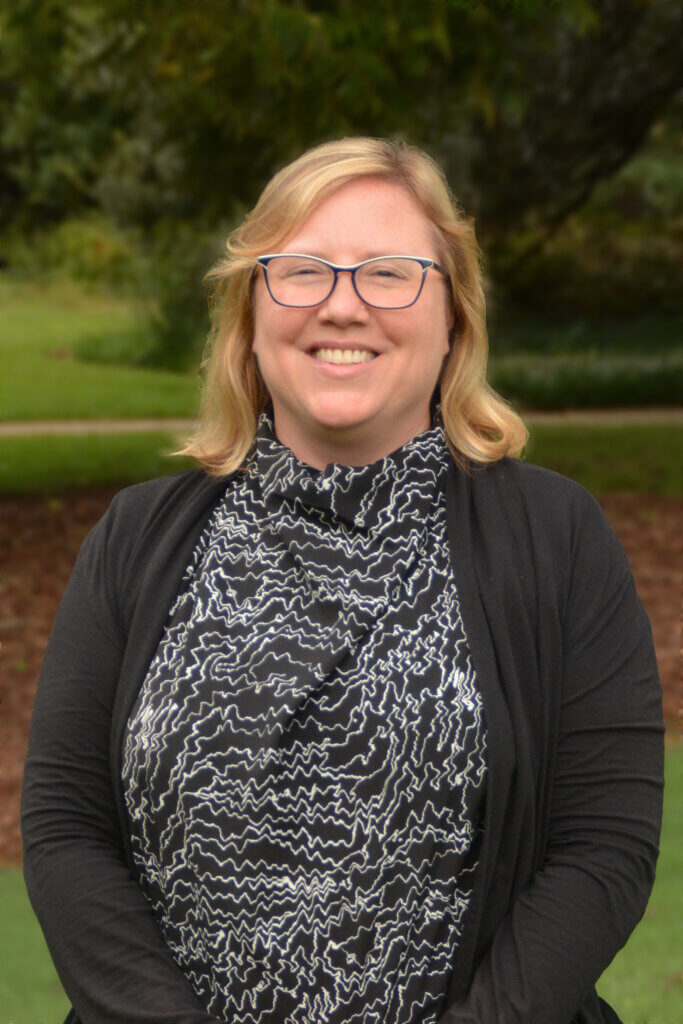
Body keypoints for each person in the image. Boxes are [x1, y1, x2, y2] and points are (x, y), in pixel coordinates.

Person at [21, 137, 664, 1024]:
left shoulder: (556, 538)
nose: (342, 305)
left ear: (454, 321)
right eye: (302, 270)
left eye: (389, 273)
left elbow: (603, 848)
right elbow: (66, 828)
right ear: (250, 315)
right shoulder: (137, 537)